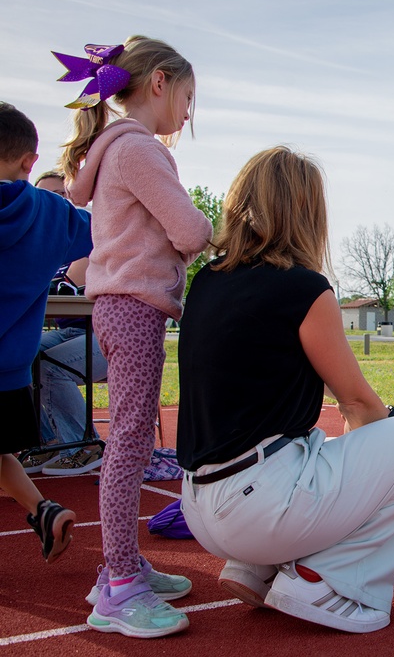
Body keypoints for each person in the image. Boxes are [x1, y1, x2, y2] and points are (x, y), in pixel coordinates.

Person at [176, 146, 394, 634]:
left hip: (198, 505)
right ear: (307, 212)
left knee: (309, 446)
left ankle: (257, 568)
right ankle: (324, 580)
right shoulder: (303, 287)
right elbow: (358, 402)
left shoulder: (206, 282)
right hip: (258, 509)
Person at [58, 37, 214, 638]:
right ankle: (118, 585)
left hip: (126, 307)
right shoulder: (139, 151)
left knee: (130, 441)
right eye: (188, 98)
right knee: (127, 445)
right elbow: (189, 229)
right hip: (133, 307)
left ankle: (122, 568)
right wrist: (215, 229)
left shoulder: (113, 150)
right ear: (159, 84)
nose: (188, 114)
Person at [0, 102, 89, 563]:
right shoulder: (50, 213)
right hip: (12, 370)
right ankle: (42, 508)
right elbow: (110, 231)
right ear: (29, 161)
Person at [18, 170, 107, 477]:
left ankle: (85, 444)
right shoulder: (39, 242)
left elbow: (60, 288)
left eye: (61, 194)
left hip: (110, 334)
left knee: (50, 365)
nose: (53, 202)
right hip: (73, 332)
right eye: (45, 196)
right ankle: (48, 442)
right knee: (20, 356)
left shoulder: (87, 235)